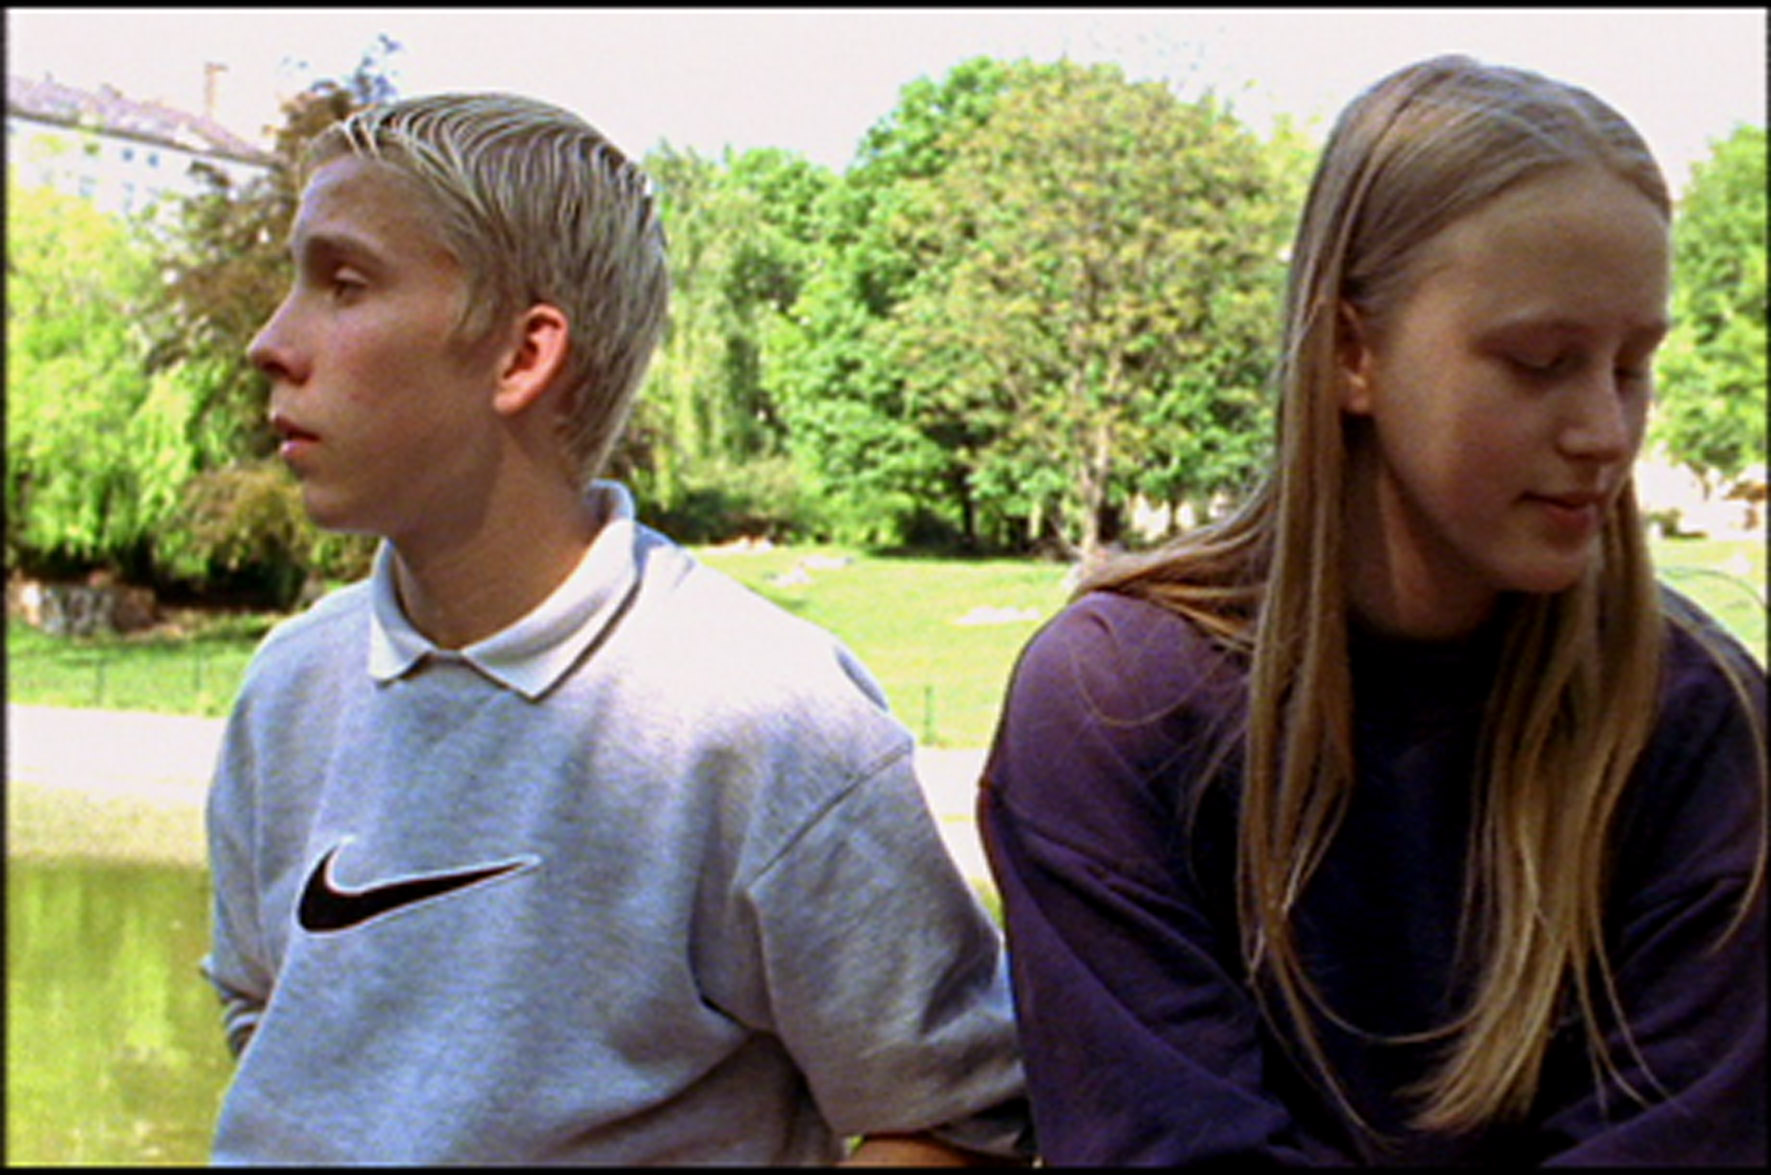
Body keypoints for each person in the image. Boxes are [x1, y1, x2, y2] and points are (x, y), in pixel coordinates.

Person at [201, 91, 1032, 1166]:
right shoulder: (288, 685)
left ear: (521, 355)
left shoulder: (762, 720)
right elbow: (271, 1026)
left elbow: (956, 1117)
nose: (270, 342)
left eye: (344, 284)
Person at [980, 54, 1765, 1166]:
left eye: (1632, 366)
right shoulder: (1116, 705)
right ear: (1352, 350)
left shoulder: (1694, 718)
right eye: (1539, 361)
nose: (1603, 431)